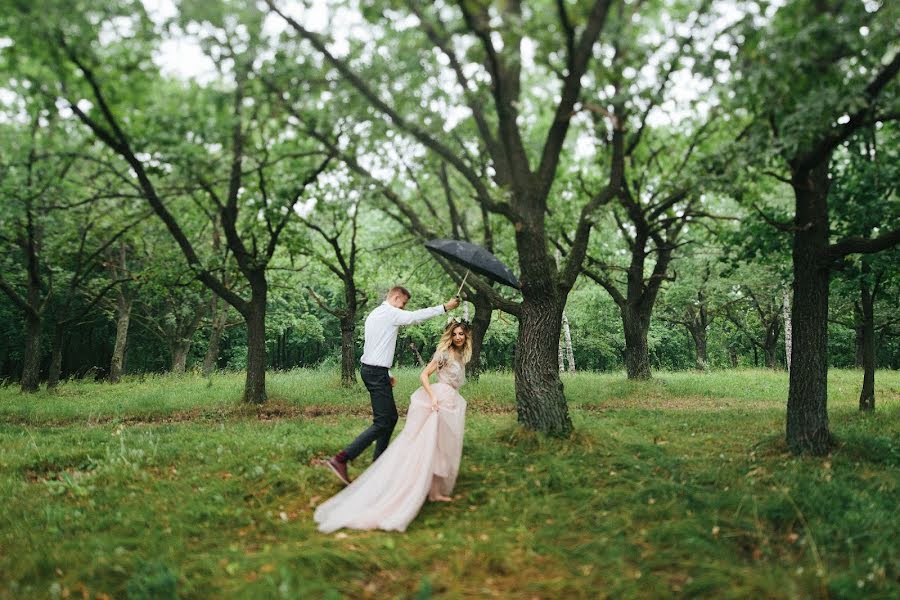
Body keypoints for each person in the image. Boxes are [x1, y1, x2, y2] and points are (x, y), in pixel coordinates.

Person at [314, 319, 472, 533]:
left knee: (441, 447)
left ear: (466, 336)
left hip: (452, 402)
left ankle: (435, 492)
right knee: (426, 445)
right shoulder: (443, 354)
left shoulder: (461, 356)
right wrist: (433, 397)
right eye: (455, 334)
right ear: (450, 336)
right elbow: (424, 375)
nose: (458, 337)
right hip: (439, 402)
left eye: (461, 334)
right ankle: (408, 487)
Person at [322, 286, 460, 485]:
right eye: (403, 304)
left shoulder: (377, 313)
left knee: (390, 418)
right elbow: (415, 317)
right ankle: (341, 459)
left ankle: (378, 465)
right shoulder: (390, 313)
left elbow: (375, 346)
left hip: (374, 371)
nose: (403, 308)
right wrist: (446, 307)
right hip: (375, 373)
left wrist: (387, 373)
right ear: (395, 297)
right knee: (383, 422)